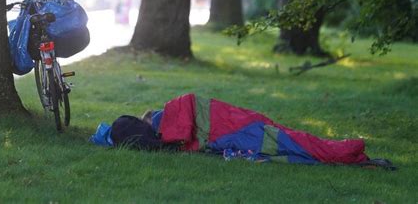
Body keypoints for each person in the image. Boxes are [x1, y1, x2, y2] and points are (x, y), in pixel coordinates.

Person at [91, 94, 396, 169]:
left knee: (297, 147)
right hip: (245, 123)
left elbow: (185, 131)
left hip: (240, 128)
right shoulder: (175, 109)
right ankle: (354, 155)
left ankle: (351, 152)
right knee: (299, 145)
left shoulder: (172, 114)